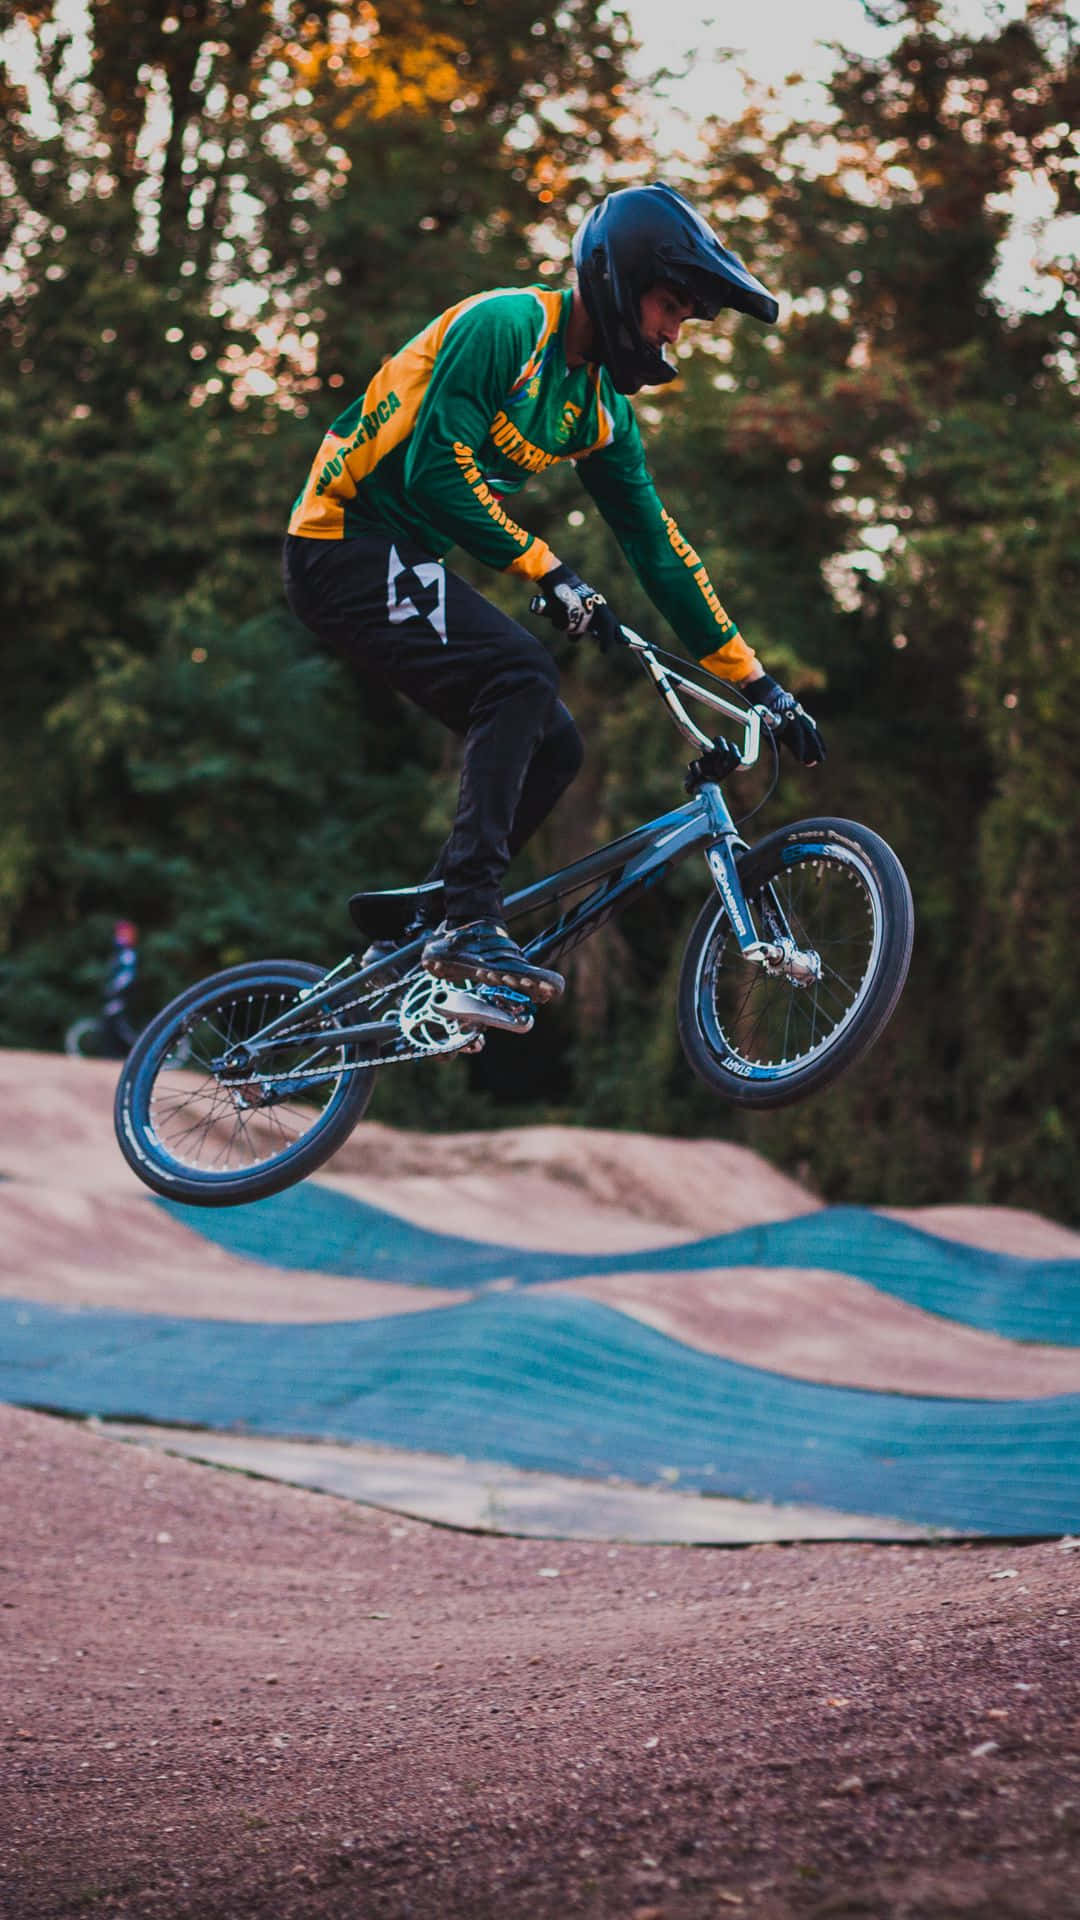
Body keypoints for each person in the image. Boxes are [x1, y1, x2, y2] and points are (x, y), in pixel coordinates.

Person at [282, 183, 825, 1006]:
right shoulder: (505, 327)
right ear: (617, 278)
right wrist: (550, 570)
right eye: (668, 306)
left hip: (396, 555)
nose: (674, 332)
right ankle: (466, 916)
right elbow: (435, 471)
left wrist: (761, 685)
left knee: (557, 743)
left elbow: (659, 550)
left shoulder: (598, 410)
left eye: (685, 317)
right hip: (338, 541)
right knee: (521, 674)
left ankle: (439, 916)